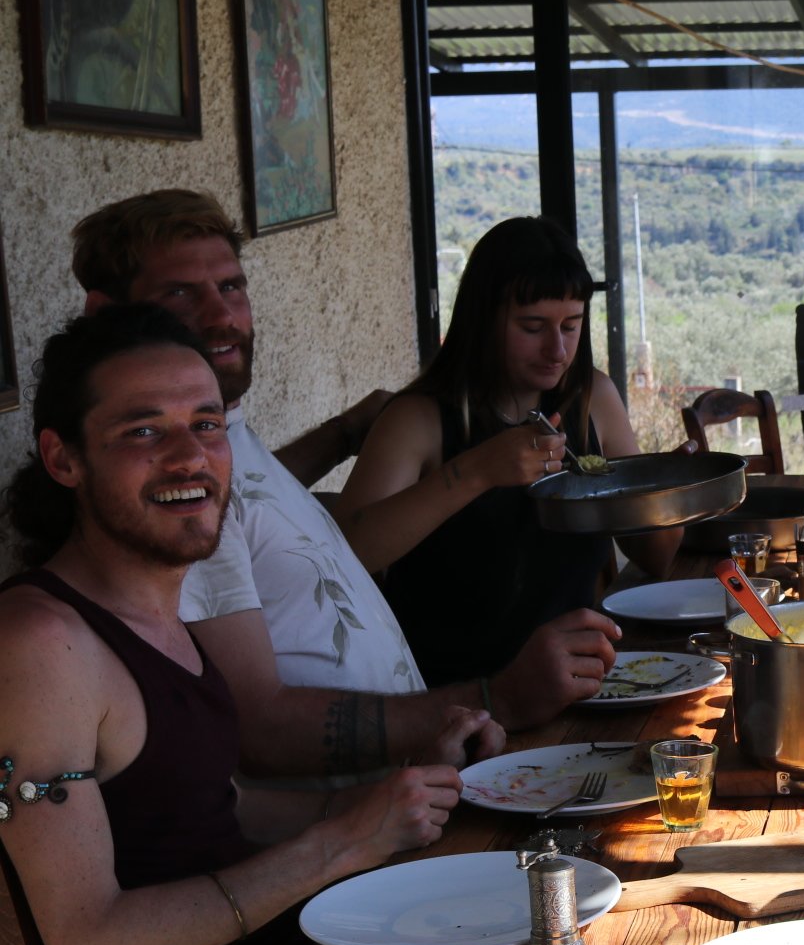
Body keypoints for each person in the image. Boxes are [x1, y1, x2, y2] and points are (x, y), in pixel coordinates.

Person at [0, 307, 666, 945]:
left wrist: (405, 804)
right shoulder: (42, 646)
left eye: (205, 425)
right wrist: (338, 843)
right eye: (141, 431)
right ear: (63, 459)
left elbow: (217, 806)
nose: (188, 456)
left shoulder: (161, 609)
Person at [70, 191, 620, 779]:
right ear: (105, 312)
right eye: (181, 292)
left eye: (231, 287)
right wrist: (497, 698)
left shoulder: (225, 441)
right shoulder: (175, 500)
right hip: (358, 813)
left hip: (415, 779)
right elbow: (260, 727)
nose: (221, 316)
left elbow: (254, 493)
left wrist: (340, 434)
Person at [335, 217, 678, 685]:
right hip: (458, 701)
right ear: (483, 320)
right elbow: (345, 556)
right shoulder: (419, 419)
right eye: (533, 326)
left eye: (571, 326)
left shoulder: (589, 400)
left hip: (581, 683)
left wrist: (670, 491)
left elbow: (655, 557)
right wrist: (475, 472)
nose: (557, 349)